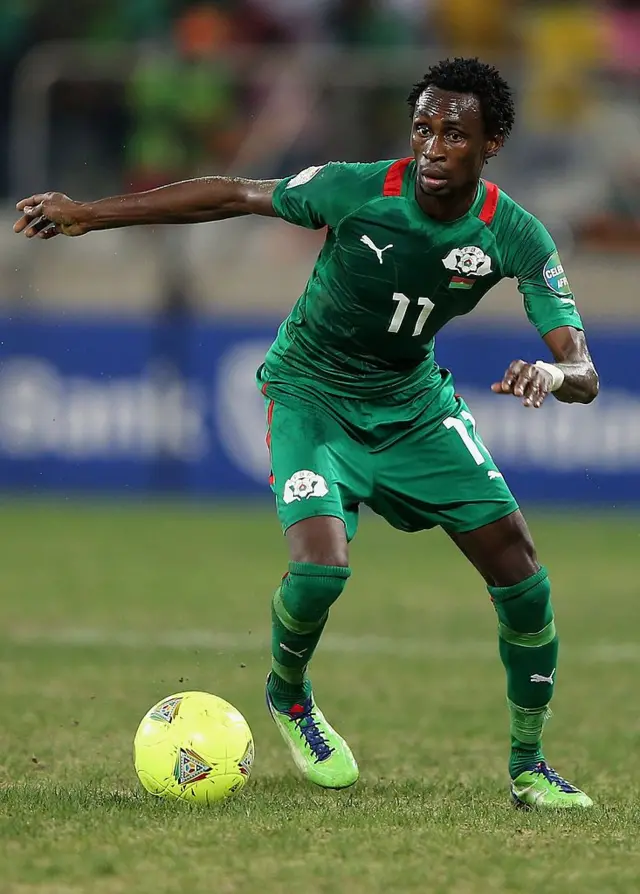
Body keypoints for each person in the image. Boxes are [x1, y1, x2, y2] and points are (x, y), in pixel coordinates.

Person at [14, 57, 599, 809]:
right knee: (321, 570)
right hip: (310, 394)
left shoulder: (516, 234)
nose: (432, 147)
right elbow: (233, 194)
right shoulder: (355, 188)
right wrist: (90, 213)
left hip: (414, 407)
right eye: (422, 128)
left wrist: (550, 373)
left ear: (492, 144)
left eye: (454, 134)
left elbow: (582, 371)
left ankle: (529, 766)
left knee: (522, 578)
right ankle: (289, 694)